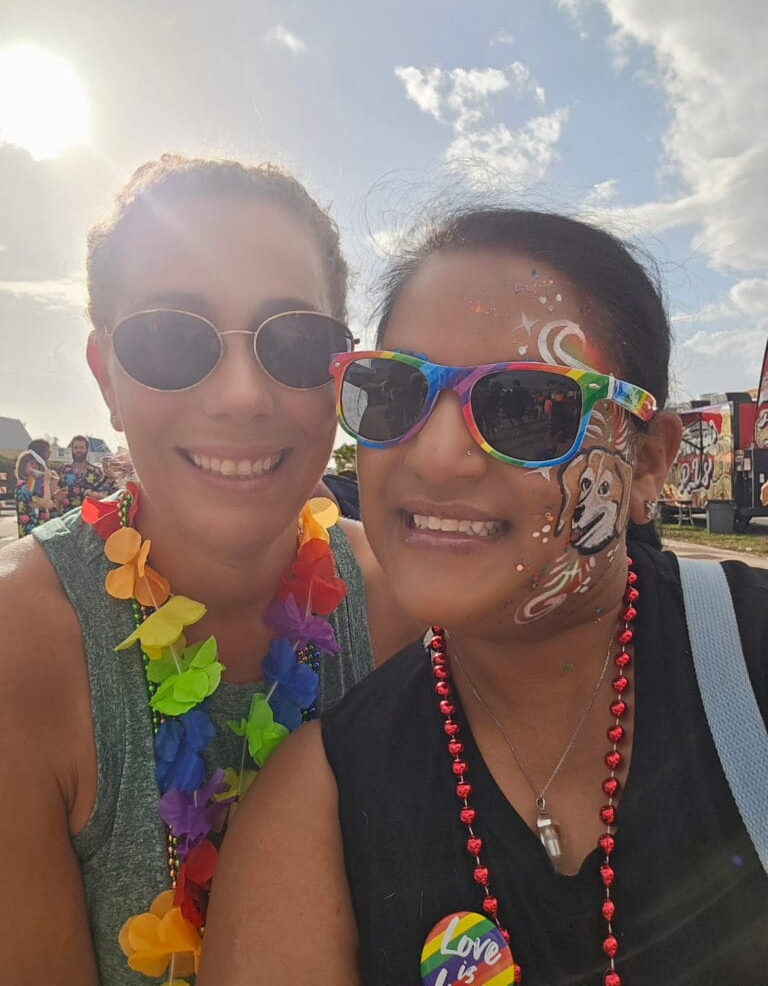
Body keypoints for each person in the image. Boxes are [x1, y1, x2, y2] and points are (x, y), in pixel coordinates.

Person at [200, 209, 768, 985]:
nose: (434, 456)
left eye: (528, 407)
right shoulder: (315, 809)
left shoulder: (751, 659)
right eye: (392, 392)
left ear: (648, 464)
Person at [0, 154, 414, 985]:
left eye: (294, 343)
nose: (239, 396)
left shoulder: (407, 607)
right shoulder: (22, 644)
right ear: (104, 377)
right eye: (167, 337)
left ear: (343, 373)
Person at [57, 434, 116, 513]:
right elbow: (57, 494)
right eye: (75, 448)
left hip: (88, 516)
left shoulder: (96, 471)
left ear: (87, 449)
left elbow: (103, 495)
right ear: (71, 449)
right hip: (67, 516)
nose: (78, 450)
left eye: (81, 447)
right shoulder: (63, 470)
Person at [14, 448, 57, 536]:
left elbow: (48, 501)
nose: (35, 467)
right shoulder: (23, 485)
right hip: (30, 533)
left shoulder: (34, 483)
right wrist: (46, 481)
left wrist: (53, 482)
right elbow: (47, 503)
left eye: (37, 465)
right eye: (31, 464)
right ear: (23, 465)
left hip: (38, 531)